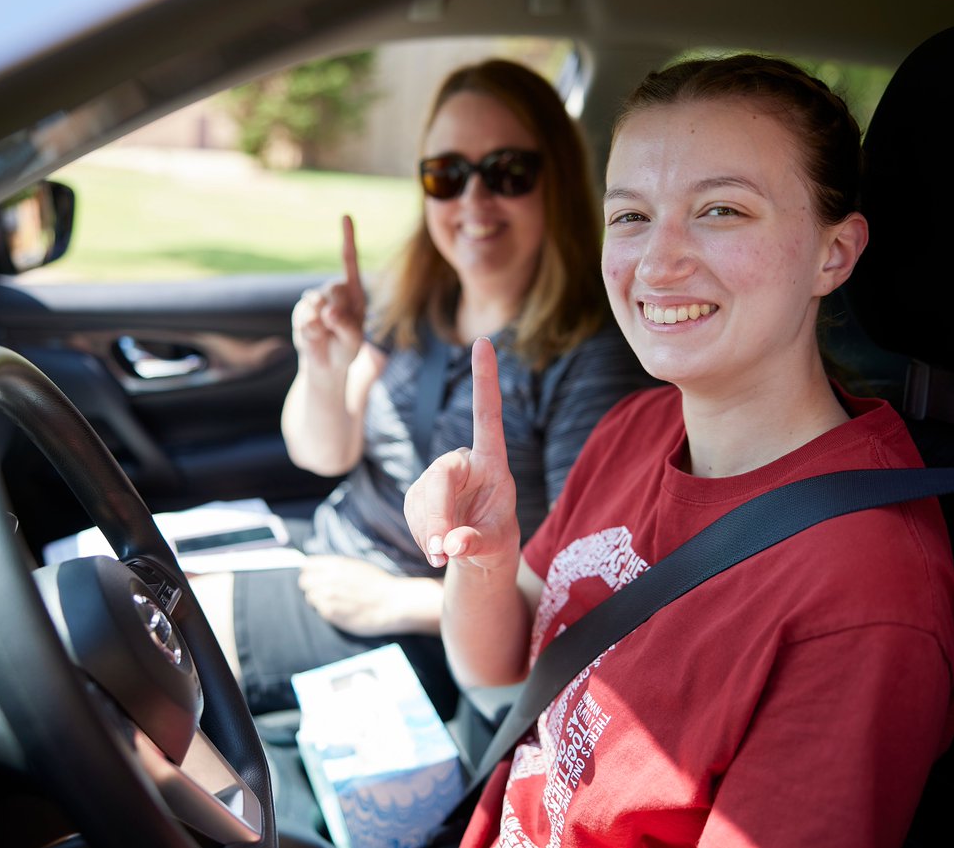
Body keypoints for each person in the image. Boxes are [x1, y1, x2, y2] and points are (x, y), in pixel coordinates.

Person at [404, 55, 954, 846]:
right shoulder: (635, 428)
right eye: (631, 216)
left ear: (833, 254)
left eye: (721, 211)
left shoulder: (865, 597)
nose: (657, 262)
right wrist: (486, 562)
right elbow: (498, 680)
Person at [192, 59, 652, 720]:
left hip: (429, 629)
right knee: (121, 588)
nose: (472, 202)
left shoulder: (589, 357)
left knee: (125, 643)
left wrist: (390, 601)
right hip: (325, 549)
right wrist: (324, 365)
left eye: (507, 173)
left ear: (557, 181)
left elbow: (571, 581)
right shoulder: (413, 297)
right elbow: (323, 454)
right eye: (446, 175)